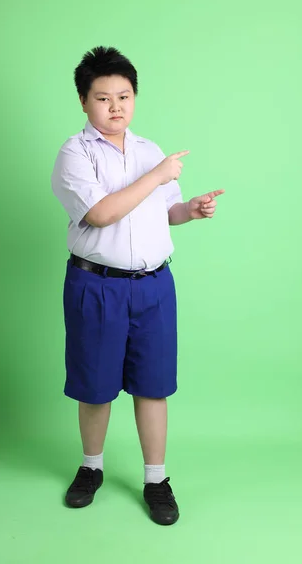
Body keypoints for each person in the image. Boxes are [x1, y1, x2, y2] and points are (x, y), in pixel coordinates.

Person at [51, 46, 224, 525]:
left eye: (124, 96)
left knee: (153, 385)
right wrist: (158, 176)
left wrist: (190, 209)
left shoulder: (149, 150)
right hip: (97, 284)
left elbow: (164, 209)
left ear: (134, 97)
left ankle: (156, 479)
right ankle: (91, 469)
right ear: (84, 101)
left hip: (152, 285)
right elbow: (102, 213)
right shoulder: (75, 153)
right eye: (103, 98)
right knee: (96, 385)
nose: (115, 107)